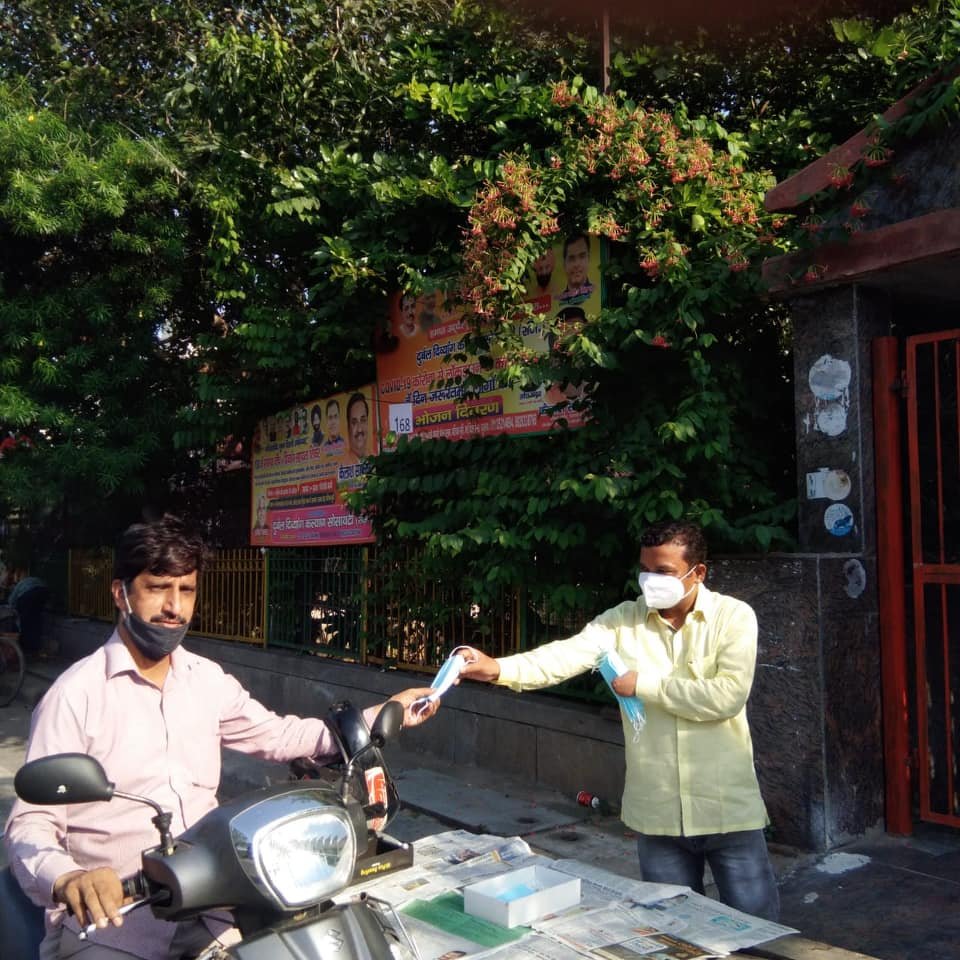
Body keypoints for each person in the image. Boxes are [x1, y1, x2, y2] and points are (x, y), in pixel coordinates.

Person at [5, 514, 440, 960]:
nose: (174, 607)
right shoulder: (75, 696)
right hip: (116, 925)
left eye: (186, 590)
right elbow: (30, 823)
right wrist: (69, 878)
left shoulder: (205, 679)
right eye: (157, 588)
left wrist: (377, 716)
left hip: (212, 909)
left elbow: (279, 735)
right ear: (121, 593)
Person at [457, 520, 780, 921]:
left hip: (727, 809)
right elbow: (565, 655)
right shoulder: (623, 620)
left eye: (663, 571)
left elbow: (726, 697)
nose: (651, 581)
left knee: (756, 930)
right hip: (657, 813)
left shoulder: (733, 617)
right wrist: (497, 668)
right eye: (645, 570)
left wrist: (642, 684)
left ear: (697, 572)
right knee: (673, 928)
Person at [8, 572, 49, 656]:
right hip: (43, 592)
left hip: (28, 596)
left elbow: (11, 600)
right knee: (36, 620)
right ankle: (36, 646)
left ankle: (26, 647)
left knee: (25, 622)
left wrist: (11, 607)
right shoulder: (33, 579)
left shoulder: (19, 584)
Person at [557, 233, 594, 306]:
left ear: (588, 258)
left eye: (582, 256)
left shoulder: (596, 293)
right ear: (564, 264)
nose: (576, 264)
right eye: (571, 258)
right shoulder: (559, 300)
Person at [344, 392, 369, 465]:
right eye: (354, 422)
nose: (359, 429)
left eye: (363, 420)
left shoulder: (375, 457)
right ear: (348, 428)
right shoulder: (343, 465)